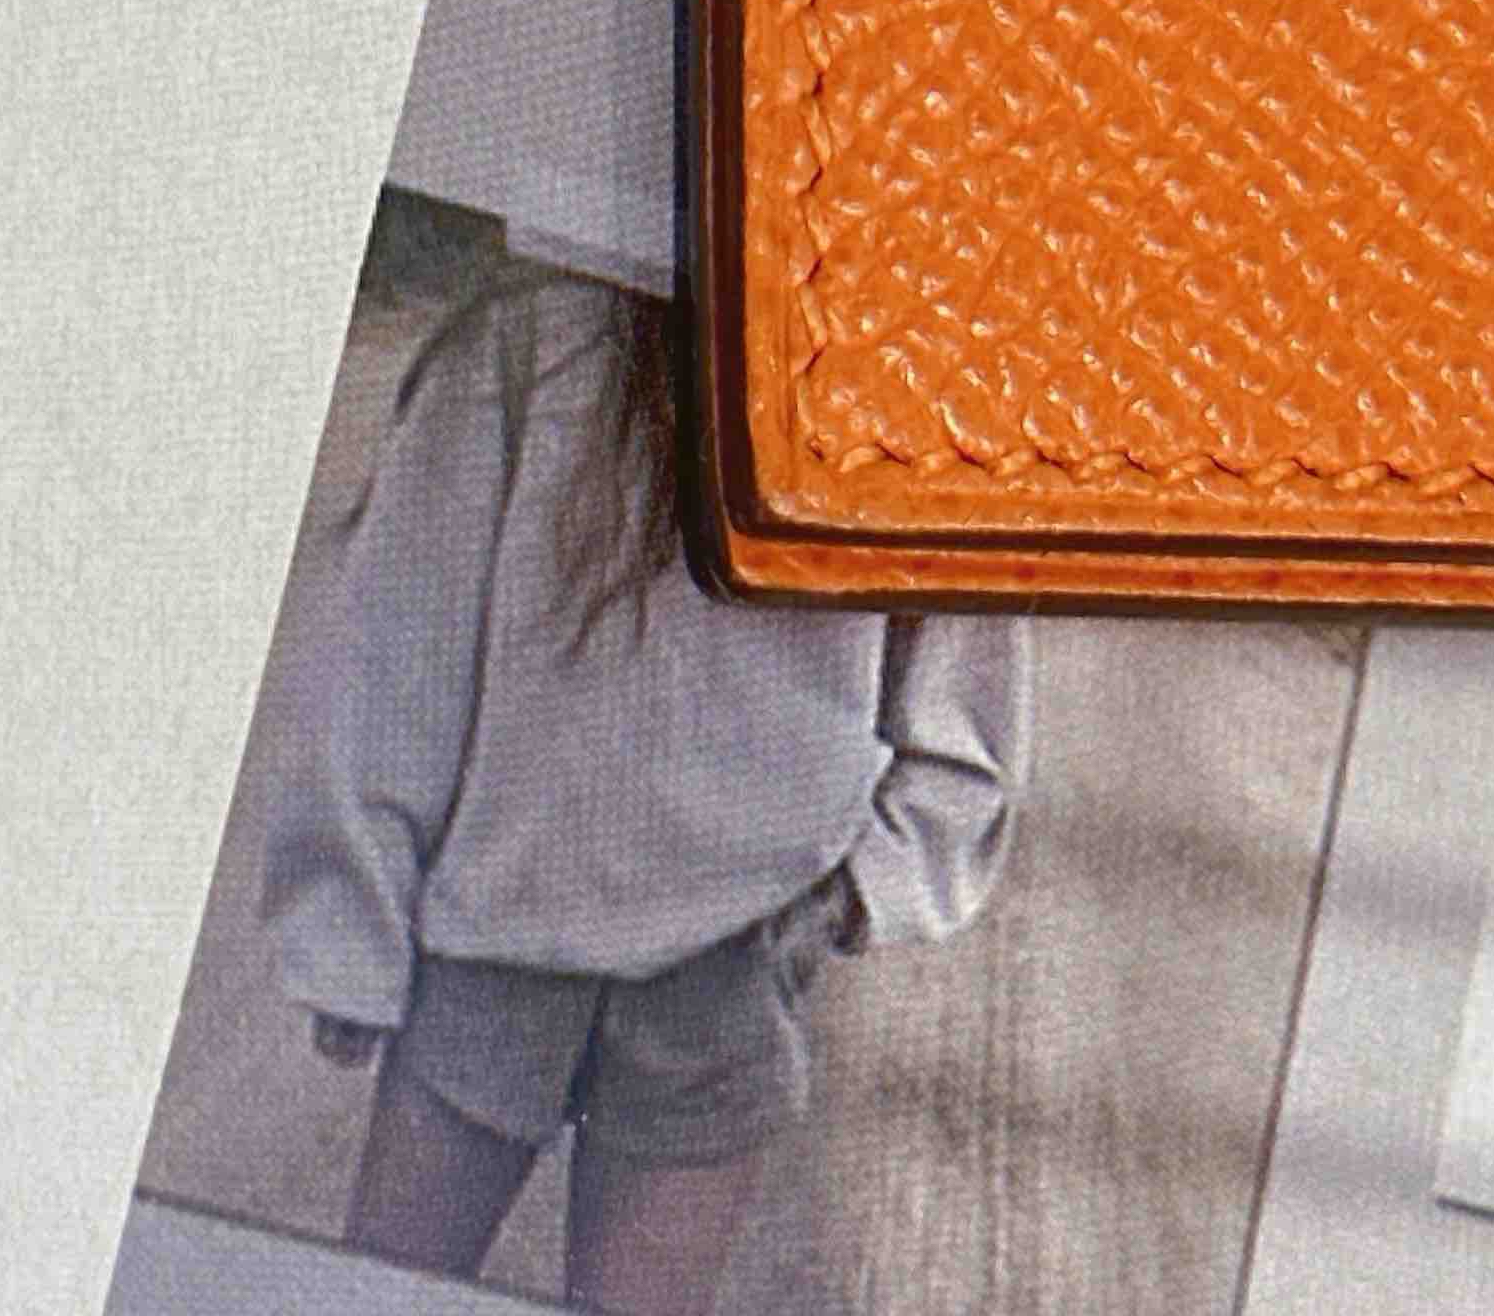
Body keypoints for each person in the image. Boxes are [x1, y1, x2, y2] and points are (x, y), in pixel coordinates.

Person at [262, 256, 1028, 1314]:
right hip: (495, 931)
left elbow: (964, 713)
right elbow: (395, 658)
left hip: (731, 953)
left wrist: (839, 898)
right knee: (377, 1295)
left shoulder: (913, 384)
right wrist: (350, 926)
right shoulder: (528, 342)